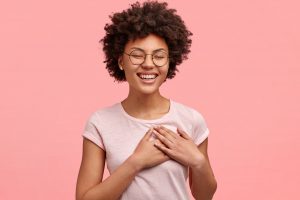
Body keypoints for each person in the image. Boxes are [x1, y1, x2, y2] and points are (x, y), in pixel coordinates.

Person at [76, 1, 217, 200]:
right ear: (120, 62)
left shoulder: (191, 119)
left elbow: (205, 196)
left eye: (159, 56)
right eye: (137, 55)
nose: (148, 64)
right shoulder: (100, 122)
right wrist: (136, 162)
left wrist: (198, 161)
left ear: (170, 61)